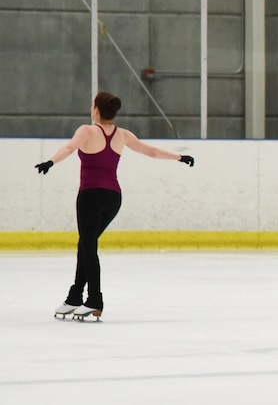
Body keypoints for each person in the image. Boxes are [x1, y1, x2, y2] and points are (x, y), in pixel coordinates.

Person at [35, 92, 195, 320]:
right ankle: (74, 297)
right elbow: (151, 151)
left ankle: (94, 300)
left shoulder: (87, 131)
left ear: (97, 109)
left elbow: (70, 148)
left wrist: (50, 162)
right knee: (86, 245)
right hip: (113, 199)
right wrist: (179, 157)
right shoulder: (123, 135)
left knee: (88, 247)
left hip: (90, 196)